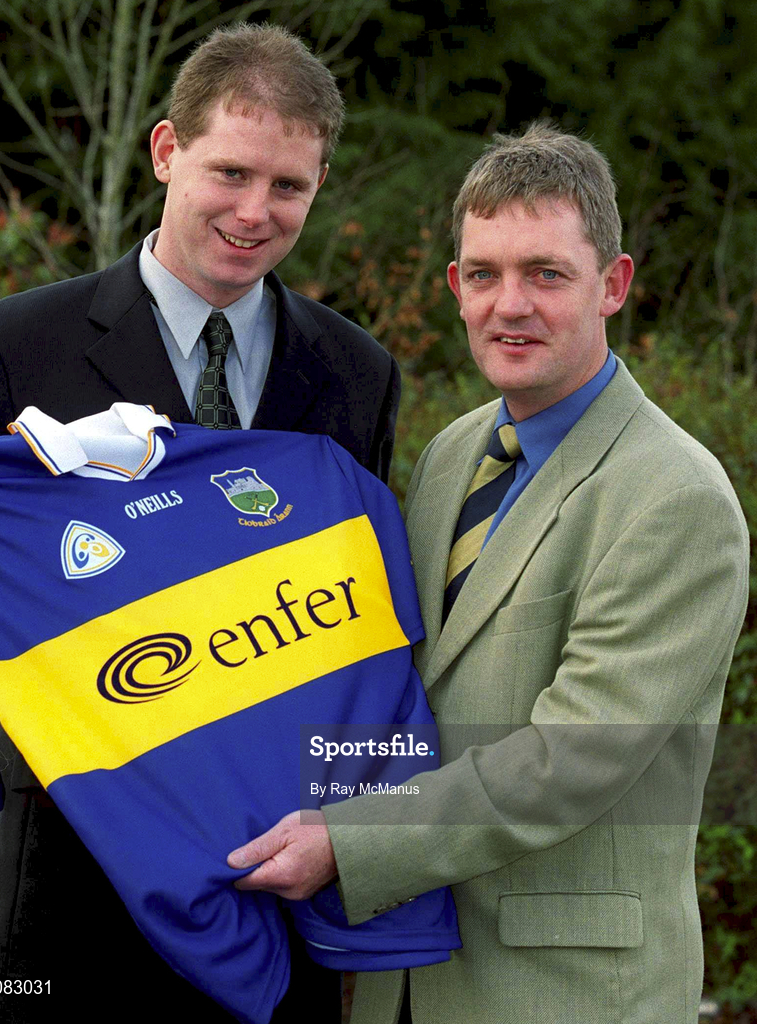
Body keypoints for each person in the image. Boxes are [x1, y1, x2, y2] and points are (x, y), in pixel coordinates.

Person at [227, 123, 751, 1024]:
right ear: (455, 289)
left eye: (546, 274)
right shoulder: (451, 455)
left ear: (613, 284)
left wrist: (349, 843)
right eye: (484, 274)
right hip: (404, 979)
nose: (510, 305)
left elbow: (572, 758)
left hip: (567, 994)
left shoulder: (675, 498)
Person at [0, 22, 399, 1023]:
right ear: (165, 151)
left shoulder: (356, 374)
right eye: (230, 171)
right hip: (66, 920)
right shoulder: (18, 347)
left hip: (282, 912)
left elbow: (359, 634)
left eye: (288, 186)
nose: (254, 211)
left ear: (319, 185)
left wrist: (354, 836)